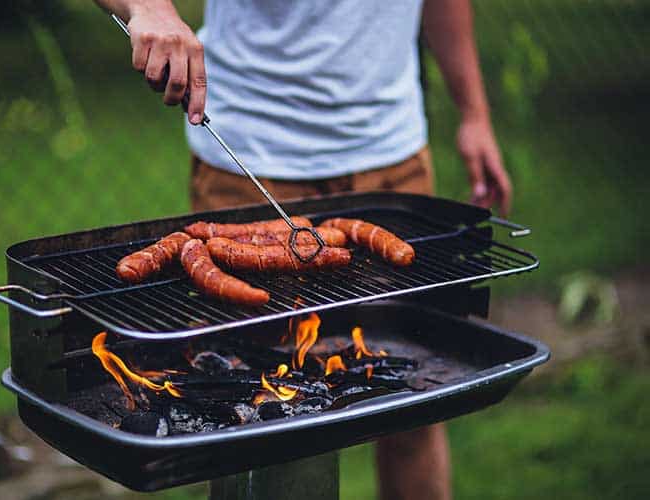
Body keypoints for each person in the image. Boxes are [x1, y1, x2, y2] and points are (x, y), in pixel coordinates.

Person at [96, 1, 512, 498]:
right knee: (254, 418)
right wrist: (148, 8)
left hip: (391, 157)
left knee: (414, 405)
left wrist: (475, 113)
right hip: (250, 157)